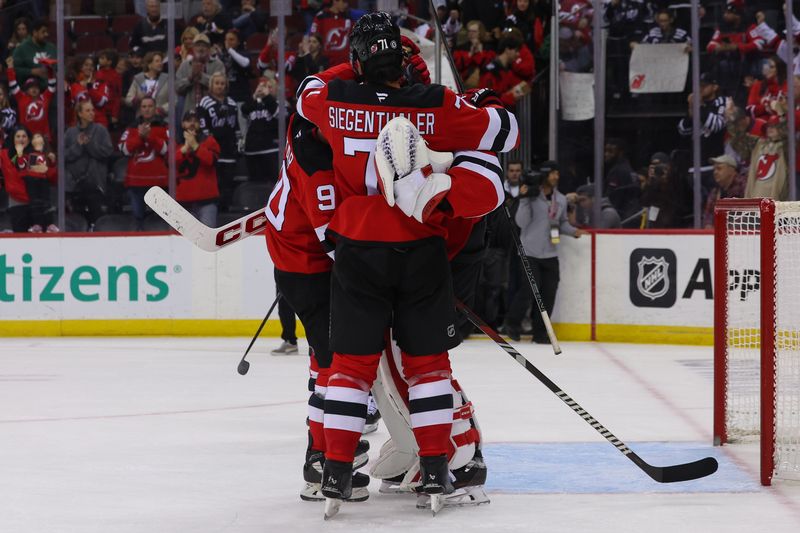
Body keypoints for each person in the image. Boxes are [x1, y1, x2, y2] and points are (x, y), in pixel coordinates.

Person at [296, 12, 518, 511]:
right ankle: (441, 466)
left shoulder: (333, 101)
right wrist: (485, 102)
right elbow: (504, 134)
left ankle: (334, 472)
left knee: (348, 369)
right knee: (427, 366)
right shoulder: (436, 105)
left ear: (356, 62)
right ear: (405, 61)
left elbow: (307, 91)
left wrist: (346, 70)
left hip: (356, 246)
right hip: (424, 247)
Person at [504, 161, 586, 342]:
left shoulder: (561, 199)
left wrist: (573, 231)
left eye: (558, 173)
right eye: (553, 173)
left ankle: (540, 332)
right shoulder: (532, 197)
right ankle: (512, 323)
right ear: (545, 175)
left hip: (550, 253)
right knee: (529, 291)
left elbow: (562, 222)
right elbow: (521, 223)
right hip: (529, 252)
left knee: (549, 293)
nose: (556, 177)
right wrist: (524, 199)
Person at [119, 97, 169, 230]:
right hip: (136, 183)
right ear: (140, 109)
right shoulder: (132, 128)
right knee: (137, 218)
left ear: (155, 108)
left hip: (158, 182)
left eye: (150, 106)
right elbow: (124, 149)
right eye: (144, 106)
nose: (147, 109)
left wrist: (149, 137)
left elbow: (167, 150)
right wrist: (140, 137)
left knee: (159, 221)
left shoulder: (164, 127)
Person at [64, 100, 114, 228]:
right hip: (75, 186)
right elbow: (64, 156)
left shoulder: (101, 130)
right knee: (77, 221)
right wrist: (78, 146)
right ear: (79, 114)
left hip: (96, 184)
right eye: (88, 110)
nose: (92, 113)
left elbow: (107, 152)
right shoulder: (70, 133)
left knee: (98, 220)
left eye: (92, 110)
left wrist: (90, 144)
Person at [197, 72, 240, 209]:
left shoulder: (232, 103)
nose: (220, 86)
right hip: (213, 149)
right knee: (215, 181)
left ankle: (225, 207)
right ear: (211, 85)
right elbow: (202, 126)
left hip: (229, 148)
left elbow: (236, 126)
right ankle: (215, 208)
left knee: (228, 181)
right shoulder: (205, 102)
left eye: (222, 83)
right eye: (217, 83)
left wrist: (238, 142)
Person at [176, 110, 220, 227]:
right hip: (182, 203)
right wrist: (183, 150)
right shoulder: (175, 143)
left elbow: (213, 161)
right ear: (182, 124)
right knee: (183, 242)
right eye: (188, 121)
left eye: (195, 121)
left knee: (208, 242)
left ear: (200, 124)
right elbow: (169, 165)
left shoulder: (209, 141)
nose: (192, 124)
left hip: (207, 201)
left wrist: (195, 146)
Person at [677, 72, 726, 164]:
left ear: (715, 87)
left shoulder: (722, 102)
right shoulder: (695, 103)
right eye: (699, 85)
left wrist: (699, 106)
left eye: (704, 85)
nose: (700, 88)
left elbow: (716, 125)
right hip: (695, 163)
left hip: (715, 162)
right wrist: (691, 111)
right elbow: (682, 130)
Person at [176, 33, 226, 118]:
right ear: (193, 48)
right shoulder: (185, 65)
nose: (200, 48)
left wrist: (201, 76)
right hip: (190, 110)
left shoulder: (218, 64)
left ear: (209, 48)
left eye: (204, 46)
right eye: (198, 45)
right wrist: (190, 79)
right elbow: (177, 87)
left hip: (212, 109)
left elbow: (222, 86)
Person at [241, 77, 279, 184]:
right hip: (252, 151)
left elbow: (281, 116)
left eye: (269, 87)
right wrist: (254, 96)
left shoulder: (280, 103)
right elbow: (244, 110)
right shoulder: (253, 104)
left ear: (275, 89)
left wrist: (267, 97)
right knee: (256, 186)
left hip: (272, 150)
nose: (265, 90)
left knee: (274, 184)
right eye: (263, 87)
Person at [6, 58, 55, 140]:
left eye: (36, 87)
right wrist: (10, 68)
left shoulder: (45, 97)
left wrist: (49, 69)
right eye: (31, 87)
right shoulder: (21, 97)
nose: (34, 89)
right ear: (26, 90)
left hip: (43, 137)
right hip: (25, 137)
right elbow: (12, 83)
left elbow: (52, 85)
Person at [478, 34, 530, 109]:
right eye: (516, 51)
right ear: (507, 49)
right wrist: (511, 96)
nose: (518, 54)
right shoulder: (491, 71)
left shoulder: (508, 69)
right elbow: (487, 99)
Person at [309, 0, 365, 67]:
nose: (346, 5)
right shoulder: (321, 17)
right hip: (326, 64)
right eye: (344, 2)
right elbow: (313, 37)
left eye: (347, 3)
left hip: (344, 64)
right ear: (335, 1)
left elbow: (354, 39)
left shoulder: (349, 18)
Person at [702, 154, 746, 228]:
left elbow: (749, 214)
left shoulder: (744, 185)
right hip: (721, 233)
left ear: (731, 170)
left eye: (719, 168)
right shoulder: (715, 191)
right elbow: (708, 214)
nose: (715, 172)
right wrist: (708, 225)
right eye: (714, 169)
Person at [68, 56, 111, 129]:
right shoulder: (74, 86)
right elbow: (71, 107)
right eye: (86, 65)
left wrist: (90, 89)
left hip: (98, 124)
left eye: (91, 65)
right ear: (81, 67)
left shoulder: (101, 83)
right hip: (80, 125)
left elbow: (101, 102)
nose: (89, 68)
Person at [11, 19, 55, 87]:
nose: (46, 34)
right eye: (43, 32)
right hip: (30, 91)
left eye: (47, 32)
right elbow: (13, 70)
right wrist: (31, 71)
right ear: (34, 32)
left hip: (52, 88)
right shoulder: (22, 48)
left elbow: (60, 67)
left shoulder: (51, 47)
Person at [125, 51, 169, 116]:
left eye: (161, 61)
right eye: (157, 61)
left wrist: (160, 110)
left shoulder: (167, 79)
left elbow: (174, 100)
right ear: (149, 64)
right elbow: (128, 99)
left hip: (161, 119)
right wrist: (137, 99)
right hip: (142, 118)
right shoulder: (138, 79)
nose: (160, 63)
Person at [217, 29, 252, 105]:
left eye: (231, 40)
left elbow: (245, 63)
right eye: (226, 40)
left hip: (241, 94)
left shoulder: (243, 53)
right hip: (225, 93)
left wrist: (230, 50)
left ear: (238, 42)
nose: (228, 42)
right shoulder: (222, 54)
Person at [95, 49, 123, 131]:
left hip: (109, 110)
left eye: (103, 58)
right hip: (97, 108)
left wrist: (115, 114)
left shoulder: (116, 76)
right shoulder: (97, 73)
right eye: (100, 58)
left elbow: (117, 96)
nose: (100, 59)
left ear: (109, 62)